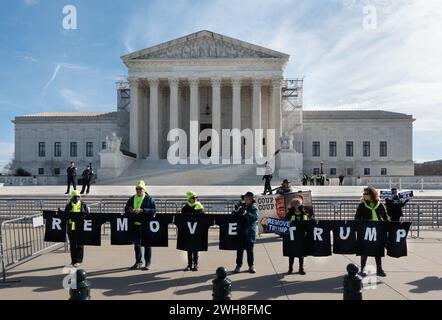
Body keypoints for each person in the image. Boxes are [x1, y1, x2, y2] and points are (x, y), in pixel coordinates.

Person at [355, 187, 388, 277]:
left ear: (372, 195)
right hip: (366, 231)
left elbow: (385, 217)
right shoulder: (362, 205)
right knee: (364, 251)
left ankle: (379, 269)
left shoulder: (380, 205)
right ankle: (362, 270)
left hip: (378, 231)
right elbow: (356, 218)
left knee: (378, 251)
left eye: (366, 194)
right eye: (364, 194)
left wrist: (383, 222)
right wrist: (365, 221)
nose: (364, 195)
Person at [125, 180, 156, 271]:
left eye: (140, 189)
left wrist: (142, 210)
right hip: (135, 225)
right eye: (137, 189)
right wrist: (130, 210)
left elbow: (154, 210)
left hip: (145, 226)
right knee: (137, 245)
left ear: (144, 189)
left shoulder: (149, 199)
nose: (138, 190)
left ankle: (148, 263)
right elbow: (126, 208)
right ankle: (138, 262)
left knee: (147, 245)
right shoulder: (132, 198)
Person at [285, 196, 313, 275]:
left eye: (299, 204)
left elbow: (306, 223)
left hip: (301, 237)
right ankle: (290, 268)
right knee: (292, 254)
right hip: (292, 237)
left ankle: (301, 268)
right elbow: (285, 222)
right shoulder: (289, 213)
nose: (297, 206)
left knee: (301, 254)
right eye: (295, 204)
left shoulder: (303, 213)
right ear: (292, 205)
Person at [234, 192, 259, 274]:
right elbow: (234, 217)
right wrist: (236, 210)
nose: (245, 200)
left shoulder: (254, 208)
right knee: (239, 250)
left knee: (249, 251)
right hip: (241, 232)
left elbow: (254, 218)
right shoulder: (242, 206)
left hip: (249, 233)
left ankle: (251, 266)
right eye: (244, 198)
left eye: (247, 198)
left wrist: (245, 213)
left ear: (251, 200)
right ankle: (238, 265)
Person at [181, 191, 204, 271]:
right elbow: (182, 219)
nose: (195, 199)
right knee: (189, 248)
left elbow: (203, 218)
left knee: (195, 248)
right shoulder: (185, 208)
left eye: (196, 198)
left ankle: (196, 264)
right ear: (189, 198)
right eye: (193, 198)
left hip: (197, 231)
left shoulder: (199, 207)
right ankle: (189, 264)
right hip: (188, 231)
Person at [65, 190, 89, 267]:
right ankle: (73, 260)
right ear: (72, 197)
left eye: (78, 196)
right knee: (72, 245)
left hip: (80, 227)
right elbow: (65, 215)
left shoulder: (83, 204)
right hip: (71, 228)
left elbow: (88, 215)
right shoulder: (68, 205)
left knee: (80, 245)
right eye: (75, 196)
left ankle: (79, 260)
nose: (77, 198)